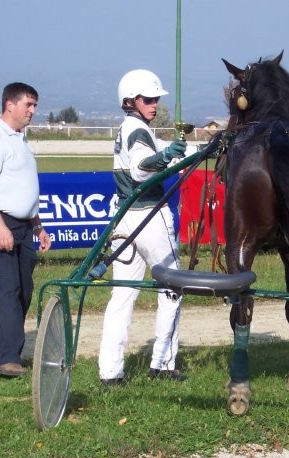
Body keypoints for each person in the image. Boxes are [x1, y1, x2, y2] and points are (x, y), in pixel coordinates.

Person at [98, 69, 188, 385]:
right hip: (149, 218)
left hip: (123, 221)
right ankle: (163, 363)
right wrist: (165, 156)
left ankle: (110, 372)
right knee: (172, 289)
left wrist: (193, 149)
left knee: (122, 296)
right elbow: (140, 169)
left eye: (155, 99)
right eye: (148, 99)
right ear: (131, 101)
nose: (154, 104)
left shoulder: (131, 128)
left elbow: (170, 152)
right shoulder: (138, 131)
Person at [0, 82, 52, 377]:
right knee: (9, 288)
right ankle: (8, 358)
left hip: (23, 225)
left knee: (24, 290)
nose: (32, 111)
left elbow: (23, 189)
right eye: (28, 105)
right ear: (10, 105)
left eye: (34, 105)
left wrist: (38, 226)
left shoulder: (21, 139)